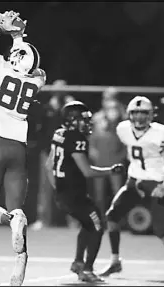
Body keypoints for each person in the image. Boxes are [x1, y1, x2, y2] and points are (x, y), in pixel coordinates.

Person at [0, 11, 46, 286]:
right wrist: (18, 36)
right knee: (20, 212)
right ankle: (20, 264)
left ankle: (9, 219)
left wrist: (0, 30)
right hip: (18, 148)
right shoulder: (36, 80)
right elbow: (39, 69)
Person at [98, 96, 164, 281]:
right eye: (135, 113)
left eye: (143, 113)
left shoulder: (160, 133)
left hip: (154, 182)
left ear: (151, 115)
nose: (139, 117)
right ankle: (115, 261)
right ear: (129, 114)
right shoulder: (123, 129)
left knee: (159, 230)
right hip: (133, 180)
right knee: (112, 217)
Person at [45, 101, 124, 283]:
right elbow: (87, 171)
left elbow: (48, 166)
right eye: (83, 120)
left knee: (88, 223)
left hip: (65, 194)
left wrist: (59, 189)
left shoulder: (59, 134)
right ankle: (87, 269)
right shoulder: (77, 139)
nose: (87, 124)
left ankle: (79, 263)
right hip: (75, 196)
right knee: (97, 226)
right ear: (72, 120)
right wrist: (111, 170)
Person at [31, 79, 75, 230]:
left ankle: (74, 220)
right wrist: (44, 149)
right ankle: (43, 219)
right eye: (57, 90)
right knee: (45, 187)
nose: (59, 92)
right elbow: (42, 130)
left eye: (62, 89)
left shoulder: (72, 107)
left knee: (69, 186)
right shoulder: (47, 106)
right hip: (49, 152)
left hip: (67, 153)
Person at [88, 90, 127, 222]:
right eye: (107, 98)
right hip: (99, 162)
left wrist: (121, 156)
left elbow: (127, 143)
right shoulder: (96, 118)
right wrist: (94, 154)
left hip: (115, 161)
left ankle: (118, 220)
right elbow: (91, 140)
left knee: (118, 192)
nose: (109, 101)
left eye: (113, 98)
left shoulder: (123, 118)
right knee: (99, 194)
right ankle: (100, 220)